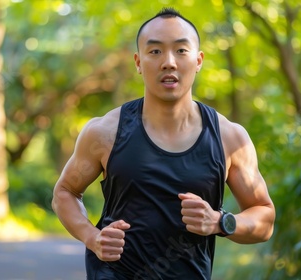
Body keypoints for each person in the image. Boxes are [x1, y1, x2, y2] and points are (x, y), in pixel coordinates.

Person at [52, 7, 275, 280]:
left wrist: (219, 222)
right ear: (138, 62)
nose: (168, 62)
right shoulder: (105, 132)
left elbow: (264, 218)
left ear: (198, 60)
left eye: (181, 50)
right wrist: (92, 237)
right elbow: (65, 192)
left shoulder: (229, 137)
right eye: (155, 51)